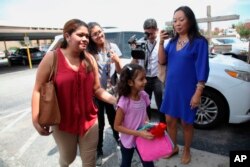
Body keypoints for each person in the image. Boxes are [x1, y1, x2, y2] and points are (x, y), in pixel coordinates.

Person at [31, 19, 117, 167]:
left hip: (90, 121)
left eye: (86, 36)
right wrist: (35, 119)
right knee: (68, 158)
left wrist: (117, 101)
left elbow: (96, 89)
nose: (85, 39)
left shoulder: (90, 59)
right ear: (67, 36)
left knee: (89, 161)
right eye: (80, 35)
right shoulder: (52, 58)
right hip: (63, 123)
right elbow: (37, 89)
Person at [158, 6, 210, 164]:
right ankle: (173, 147)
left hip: (188, 89)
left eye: (181, 20)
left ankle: (186, 149)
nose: (177, 24)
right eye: (175, 21)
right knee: (169, 121)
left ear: (190, 20)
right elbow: (162, 61)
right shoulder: (172, 42)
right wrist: (161, 42)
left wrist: (198, 92)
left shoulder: (199, 42)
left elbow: (203, 68)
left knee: (187, 123)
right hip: (171, 89)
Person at [87, 22, 122, 166]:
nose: (99, 35)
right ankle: (99, 151)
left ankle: (120, 145)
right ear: (90, 38)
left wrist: (117, 61)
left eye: (100, 32)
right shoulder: (89, 53)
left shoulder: (112, 47)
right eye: (94, 34)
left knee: (116, 121)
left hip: (112, 93)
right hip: (96, 94)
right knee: (99, 125)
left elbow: (120, 72)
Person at [114, 64, 155, 167]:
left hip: (142, 138)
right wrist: (138, 133)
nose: (145, 81)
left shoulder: (143, 95)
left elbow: (144, 114)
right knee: (126, 163)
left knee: (148, 163)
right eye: (141, 79)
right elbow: (117, 126)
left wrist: (148, 125)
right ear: (130, 82)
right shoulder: (124, 102)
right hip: (128, 140)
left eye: (145, 78)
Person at [131, 18, 165, 123]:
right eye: (147, 31)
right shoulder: (139, 43)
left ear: (157, 30)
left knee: (161, 104)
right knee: (145, 104)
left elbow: (164, 60)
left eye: (152, 31)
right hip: (144, 78)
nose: (150, 34)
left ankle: (163, 126)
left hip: (157, 77)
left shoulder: (162, 42)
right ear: (144, 30)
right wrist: (135, 51)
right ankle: (147, 125)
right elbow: (133, 63)